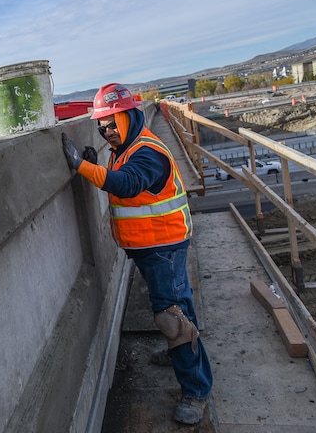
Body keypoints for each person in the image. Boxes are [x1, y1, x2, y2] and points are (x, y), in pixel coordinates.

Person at [61, 83, 213, 425]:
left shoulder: (148, 152)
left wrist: (82, 167)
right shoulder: (127, 148)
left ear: (130, 116)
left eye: (112, 123)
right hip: (151, 248)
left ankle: (196, 390)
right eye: (102, 126)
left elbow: (128, 184)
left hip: (164, 248)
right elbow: (123, 181)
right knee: (178, 309)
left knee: (173, 318)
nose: (107, 131)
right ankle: (181, 354)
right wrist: (97, 165)